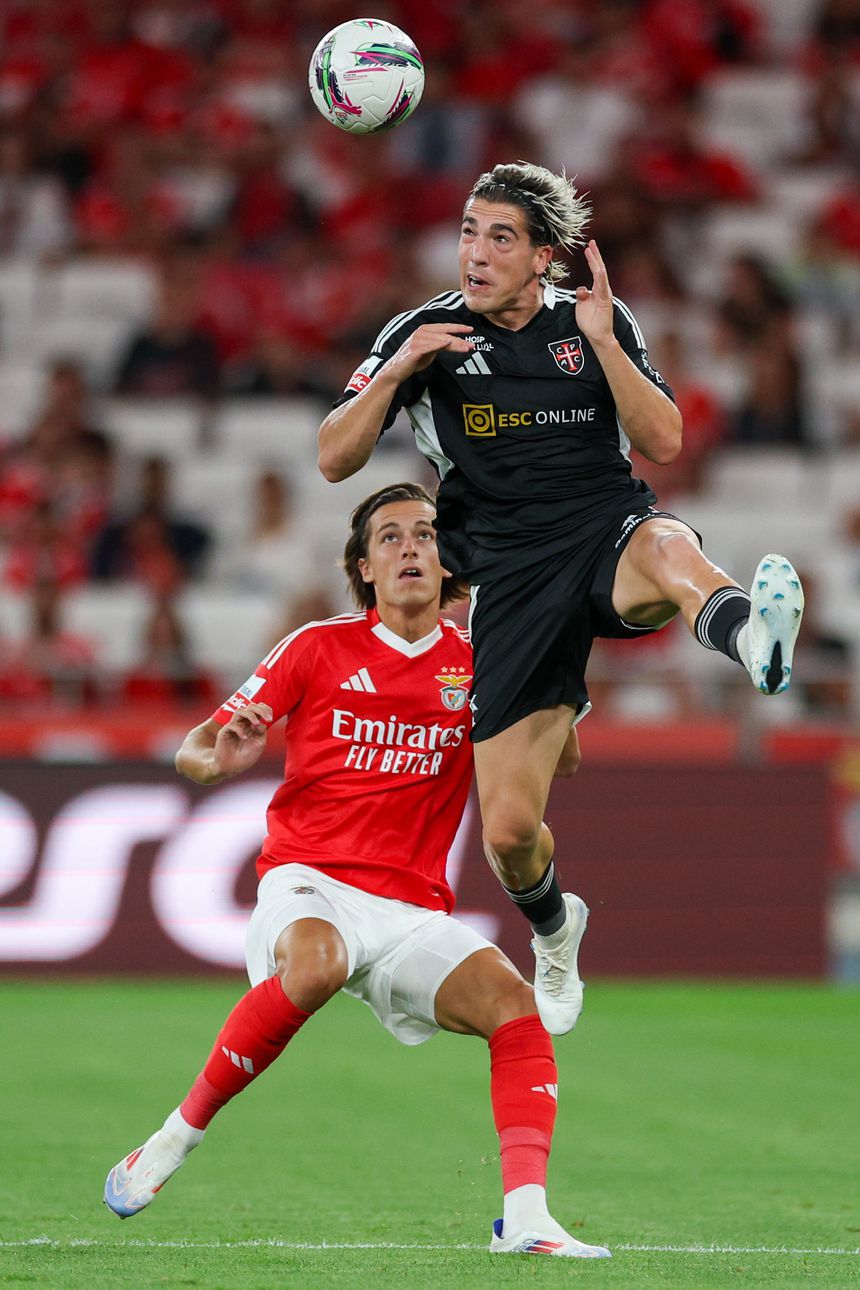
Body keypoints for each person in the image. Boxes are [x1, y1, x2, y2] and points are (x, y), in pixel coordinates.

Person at [317, 160, 805, 1037]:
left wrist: (607, 344)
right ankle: (555, 930)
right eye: (469, 232)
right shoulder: (426, 331)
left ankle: (753, 638)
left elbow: (664, 440)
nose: (475, 252)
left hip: (605, 530)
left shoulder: (593, 320)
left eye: (499, 237)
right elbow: (332, 457)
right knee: (508, 833)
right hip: (510, 577)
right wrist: (398, 373)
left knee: (668, 546)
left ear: (544, 257)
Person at [103, 482, 609, 1261]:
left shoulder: (481, 661)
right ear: (365, 568)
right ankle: (172, 1139)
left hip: (411, 912)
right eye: (390, 537)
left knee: (518, 1011)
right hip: (310, 881)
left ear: (449, 560)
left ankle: (527, 1216)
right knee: (317, 963)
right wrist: (220, 757)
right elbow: (196, 747)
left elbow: (559, 762)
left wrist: (554, 687)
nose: (410, 548)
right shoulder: (317, 646)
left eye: (426, 534)